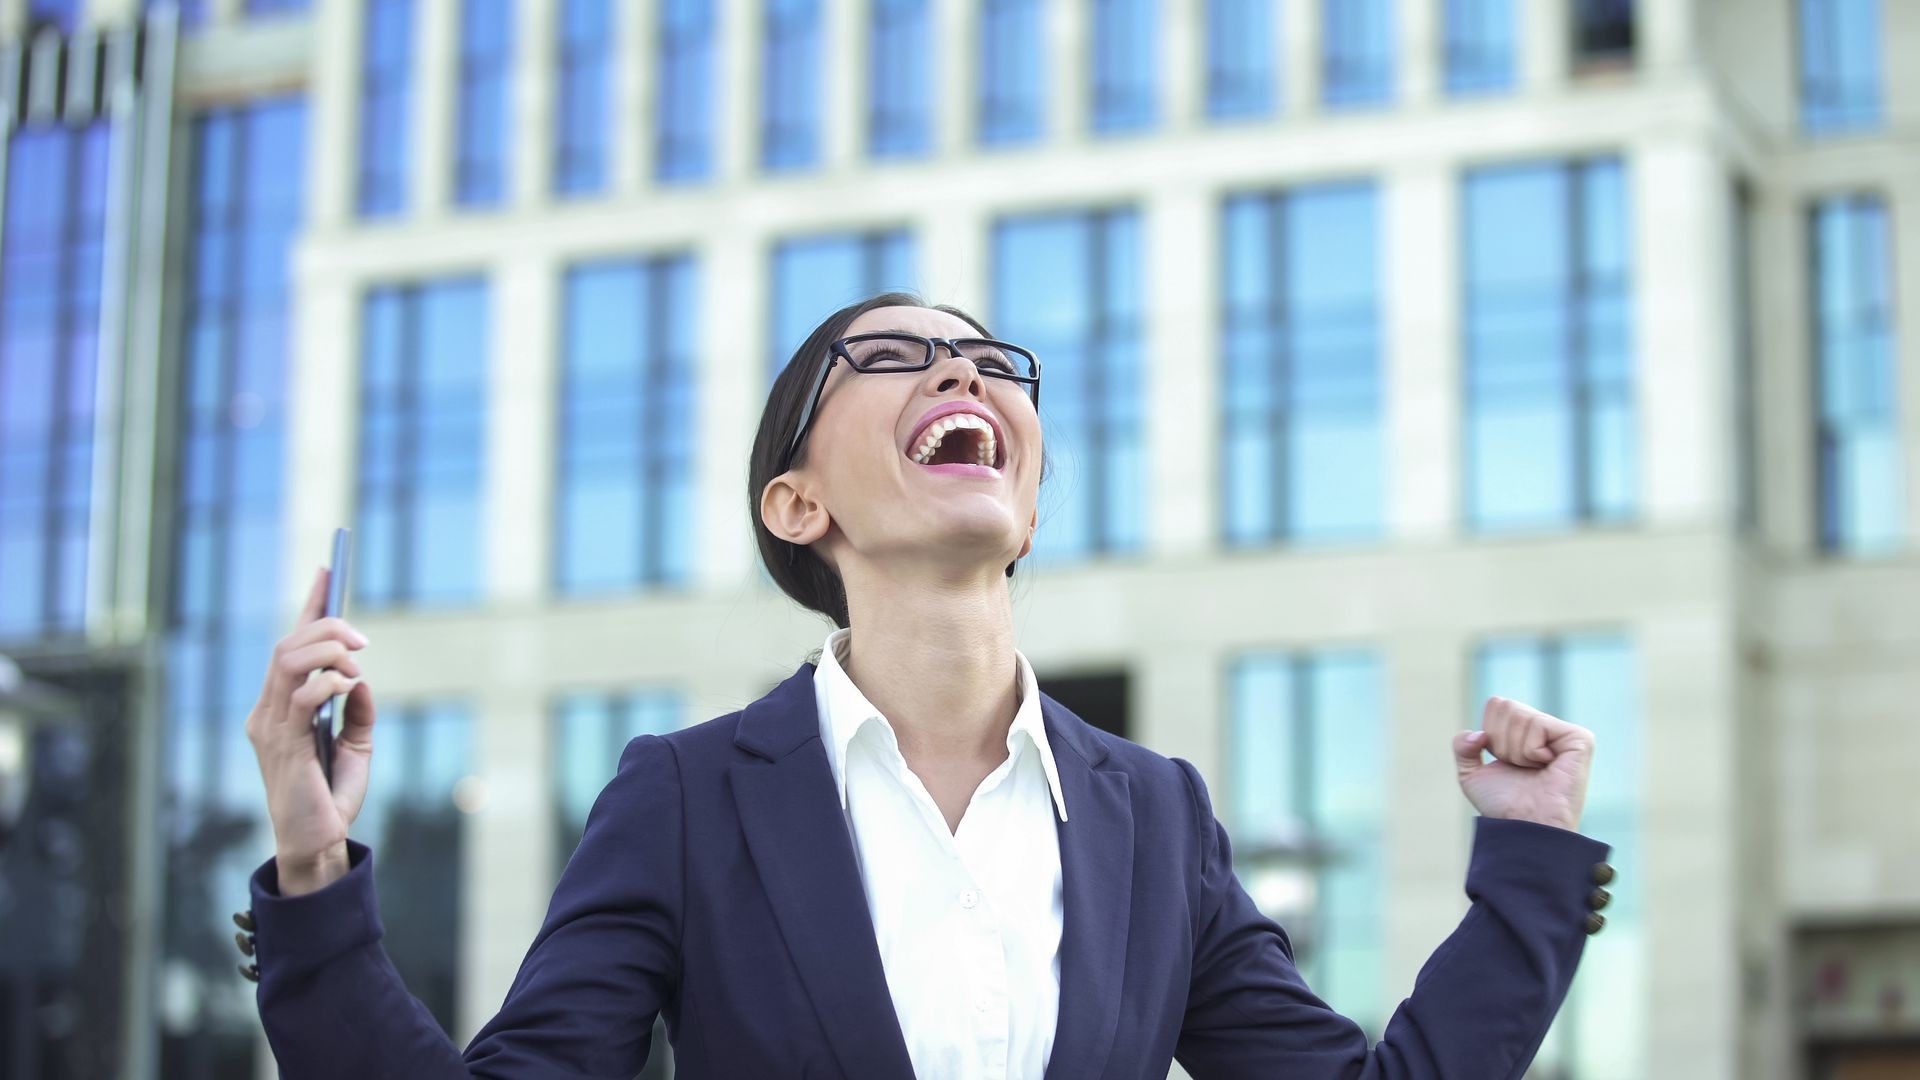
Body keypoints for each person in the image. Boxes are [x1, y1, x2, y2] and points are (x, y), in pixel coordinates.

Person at [237, 292, 1616, 1079]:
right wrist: (312, 863)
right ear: (795, 504)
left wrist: (1532, 857)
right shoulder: (688, 796)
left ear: (1022, 497)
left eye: (986, 362)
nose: (961, 367)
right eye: (889, 358)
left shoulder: (1155, 814)